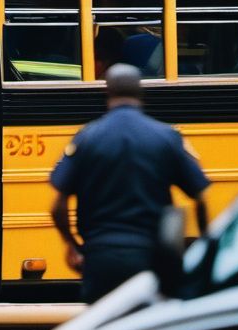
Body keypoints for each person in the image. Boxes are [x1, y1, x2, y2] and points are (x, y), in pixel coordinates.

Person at [49, 63, 210, 302]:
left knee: (103, 328)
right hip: (149, 255)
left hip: (100, 255)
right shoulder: (166, 137)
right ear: (141, 92)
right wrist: (204, 242)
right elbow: (199, 197)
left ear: (107, 92)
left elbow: (58, 206)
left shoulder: (86, 138)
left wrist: (71, 244)